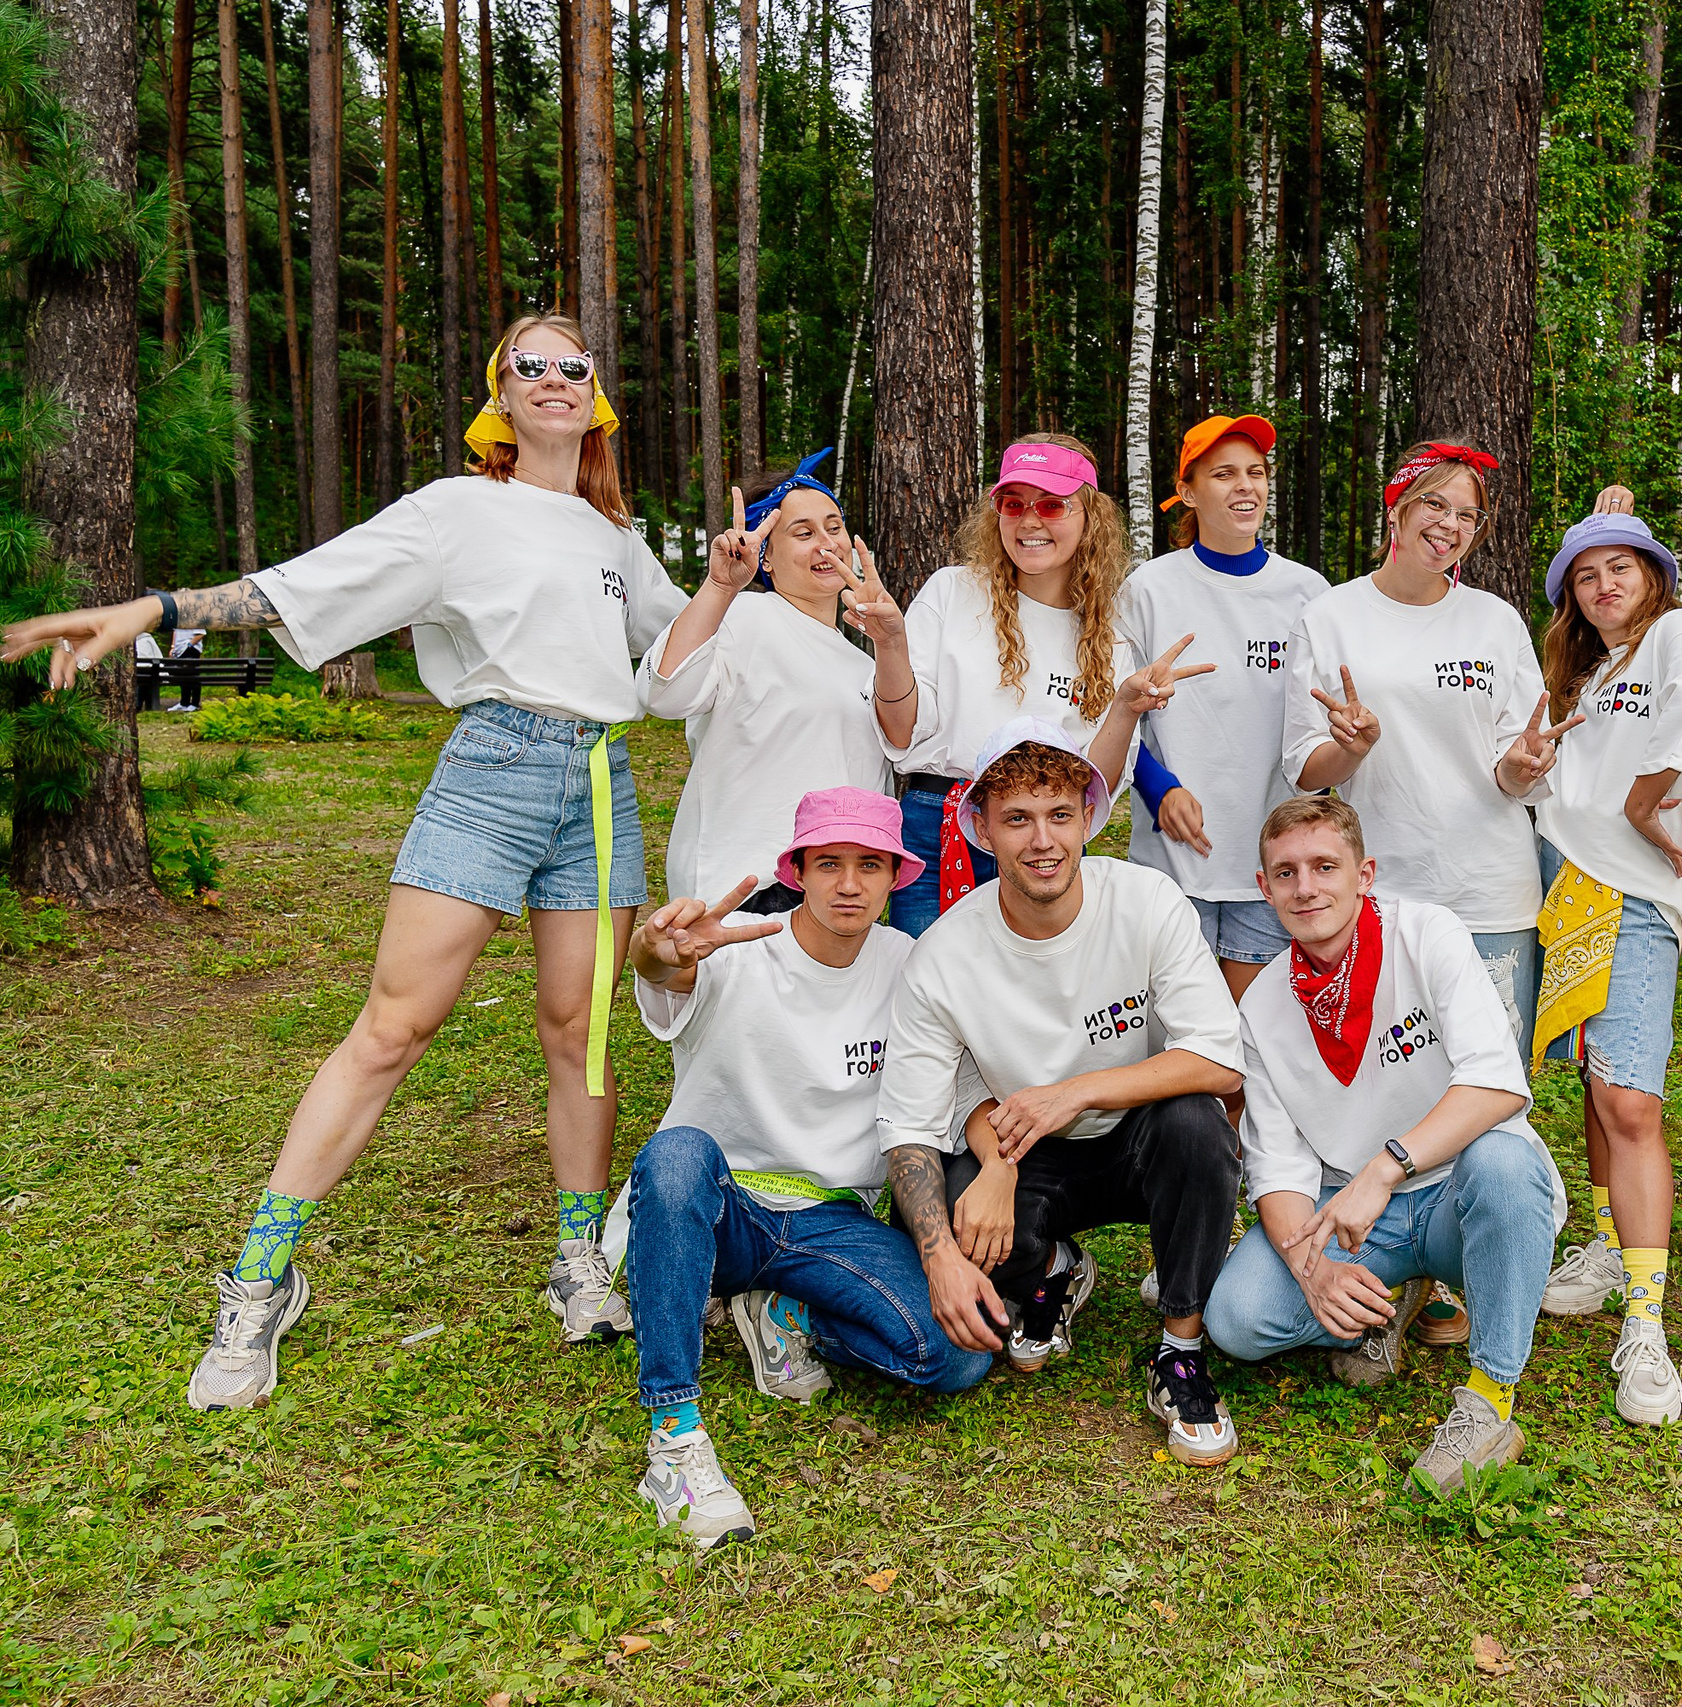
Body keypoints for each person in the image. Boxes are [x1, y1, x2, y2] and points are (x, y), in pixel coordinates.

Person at [4, 314, 687, 1411]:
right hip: (495, 764)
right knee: (394, 1026)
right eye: (530, 365)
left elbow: (683, 647)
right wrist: (156, 610)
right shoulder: (460, 508)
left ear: (596, 395)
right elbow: (299, 588)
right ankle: (260, 1280)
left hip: (601, 784)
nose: (554, 378)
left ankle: (578, 1266)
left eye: (574, 365)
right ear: (499, 396)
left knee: (583, 1033)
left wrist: (803, 594)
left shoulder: (618, 538)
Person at [621, 787, 992, 1550]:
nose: (849, 883)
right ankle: (674, 1434)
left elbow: (959, 1094)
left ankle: (786, 1314)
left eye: (869, 864)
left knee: (955, 1353)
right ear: (797, 871)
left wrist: (1002, 1170)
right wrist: (652, 951)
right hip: (722, 1207)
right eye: (829, 863)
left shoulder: (913, 966)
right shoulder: (734, 947)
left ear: (896, 875)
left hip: (831, 1217)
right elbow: (662, 973)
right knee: (675, 1155)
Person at [876, 720, 1248, 1466]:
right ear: (980, 826)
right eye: (1016, 817)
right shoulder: (945, 952)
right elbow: (912, 1127)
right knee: (946, 1205)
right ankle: (1050, 1270)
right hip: (1026, 1149)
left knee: (1197, 1124)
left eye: (1058, 814)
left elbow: (1220, 1059)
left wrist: (1074, 1092)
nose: (1041, 840)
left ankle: (1180, 1350)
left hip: (1138, 1139)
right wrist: (948, 1248)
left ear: (1089, 818)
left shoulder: (1147, 901)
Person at [1204, 796, 1565, 1493]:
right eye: (1286, 872)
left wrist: (1387, 1164)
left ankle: (1489, 1404)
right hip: (1353, 1214)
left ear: (1363, 873)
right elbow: (1276, 1169)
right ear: (1264, 886)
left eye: (1324, 866)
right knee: (1237, 1317)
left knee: (1506, 1158)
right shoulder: (1261, 1006)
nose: (1306, 887)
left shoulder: (1427, 933)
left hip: (1461, 1192)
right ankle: (1384, 1298)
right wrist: (1316, 1273)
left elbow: (1497, 1082)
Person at [1519, 501, 1682, 1430]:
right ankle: (1609, 1248)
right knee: (1597, 1087)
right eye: (1587, 575)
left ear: (1656, 577)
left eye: (1624, 568)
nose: (1606, 586)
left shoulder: (1680, 633)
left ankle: (1646, 1326)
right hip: (1562, 884)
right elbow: (1555, 783)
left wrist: (1650, 801)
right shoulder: (1592, 673)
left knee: (1633, 1100)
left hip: (1635, 894)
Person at [1280, 442, 1565, 1060]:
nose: (1451, 525)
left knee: (1492, 1083)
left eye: (1469, 516)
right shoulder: (1329, 617)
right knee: (1397, 1080)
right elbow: (1304, 769)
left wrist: (1520, 768)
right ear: (1397, 510)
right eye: (1436, 504)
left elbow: (1517, 767)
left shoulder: (1496, 621)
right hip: (1384, 891)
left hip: (1490, 892)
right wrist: (1349, 751)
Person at [882, 434, 1194, 935]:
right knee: (929, 997)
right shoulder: (952, 592)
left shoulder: (1108, 638)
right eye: (1014, 503)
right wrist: (891, 646)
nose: (1030, 520)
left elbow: (1101, 785)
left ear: (1089, 516)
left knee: (1036, 999)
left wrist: (1125, 709)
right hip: (937, 833)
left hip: (1045, 841)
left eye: (1053, 505)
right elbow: (900, 734)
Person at [640, 450, 911, 912]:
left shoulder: (861, 663)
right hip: (750, 885)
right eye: (803, 533)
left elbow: (901, 742)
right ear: (764, 556)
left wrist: (891, 645)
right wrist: (722, 587)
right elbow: (663, 693)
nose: (826, 544)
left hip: (835, 890)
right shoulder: (743, 618)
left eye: (834, 526)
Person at [1121, 415, 1328, 999]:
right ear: (1187, 491)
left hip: (1274, 862)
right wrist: (1159, 788)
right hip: (1172, 859)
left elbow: (1318, 728)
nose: (1245, 486)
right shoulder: (1148, 589)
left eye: (1256, 473)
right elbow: (1112, 715)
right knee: (1175, 1041)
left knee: (1255, 1046)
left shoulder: (1309, 593)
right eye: (1224, 473)